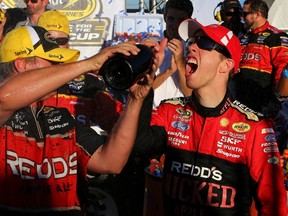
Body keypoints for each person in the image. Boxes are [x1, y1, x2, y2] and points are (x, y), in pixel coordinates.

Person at [133, 18, 287, 215]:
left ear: (226, 65)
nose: (192, 46)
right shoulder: (170, 112)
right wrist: (144, 78)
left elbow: (274, 206)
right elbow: (137, 144)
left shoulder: (256, 128)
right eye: (192, 42)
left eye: (204, 43)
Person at [0, 25, 159, 215]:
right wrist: (89, 64)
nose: (60, 68)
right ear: (22, 64)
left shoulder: (60, 118)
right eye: (53, 61)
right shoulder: (4, 114)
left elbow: (111, 161)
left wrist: (135, 100)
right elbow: (5, 97)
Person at [232, 0, 288, 117]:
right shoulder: (243, 37)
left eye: (245, 14)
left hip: (264, 104)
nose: (242, 18)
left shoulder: (277, 36)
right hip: (239, 101)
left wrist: (277, 100)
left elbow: (283, 67)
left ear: (257, 15)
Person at [152, 0, 193, 108]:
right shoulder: (152, 46)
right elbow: (144, 89)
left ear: (188, 21)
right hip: (153, 114)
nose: (175, 25)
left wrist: (180, 62)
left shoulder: (194, 49)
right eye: (171, 19)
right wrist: (168, 71)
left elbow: (190, 93)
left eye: (180, 20)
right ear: (165, 18)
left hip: (180, 117)